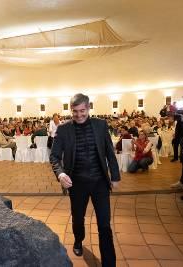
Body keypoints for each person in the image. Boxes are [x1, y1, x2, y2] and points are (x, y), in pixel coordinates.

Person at [50, 93, 120, 267]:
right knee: (78, 219)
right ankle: (78, 240)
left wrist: (115, 176)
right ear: (70, 110)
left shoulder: (100, 125)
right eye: (75, 111)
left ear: (88, 108)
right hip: (77, 184)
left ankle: (109, 263)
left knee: (104, 225)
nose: (79, 115)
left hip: (100, 183)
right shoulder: (64, 129)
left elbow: (110, 153)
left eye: (82, 111)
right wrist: (60, 174)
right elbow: (55, 156)